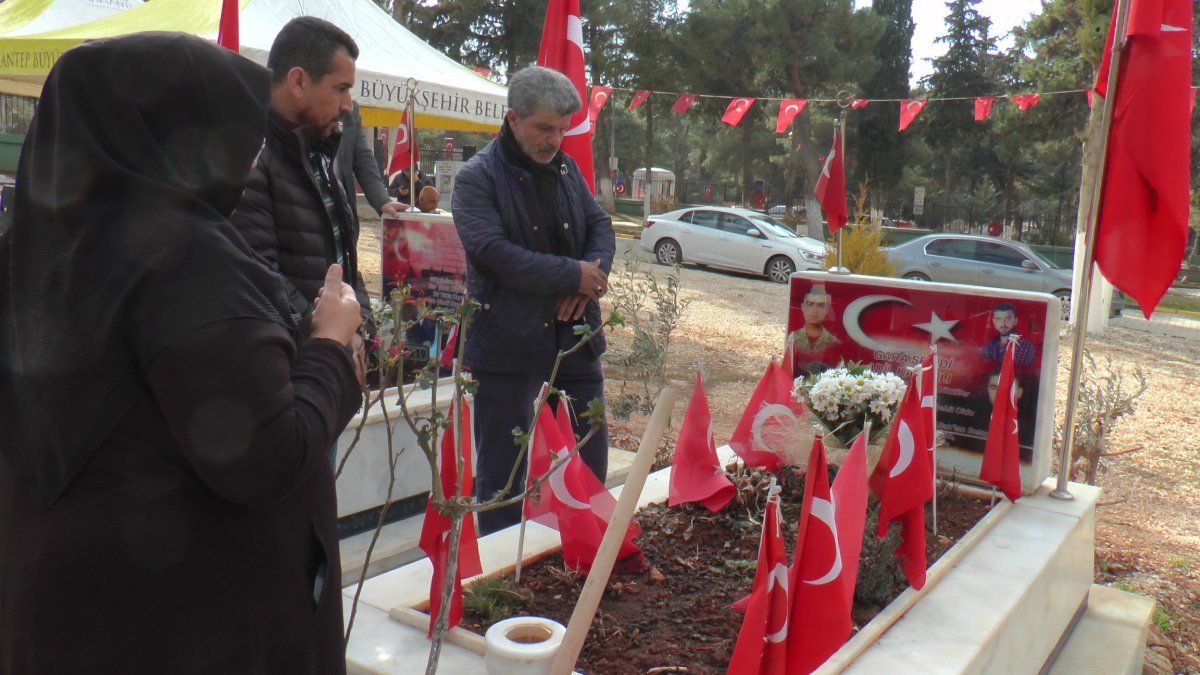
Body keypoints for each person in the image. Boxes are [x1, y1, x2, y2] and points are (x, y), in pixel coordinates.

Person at [0, 33, 362, 673]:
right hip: (191, 616)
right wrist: (332, 345)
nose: (247, 155)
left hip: (69, 604)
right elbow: (266, 453)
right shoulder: (186, 266)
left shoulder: (33, 249)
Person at [452, 66, 615, 534]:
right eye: (544, 128)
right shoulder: (475, 178)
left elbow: (600, 227)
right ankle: (499, 589)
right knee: (503, 480)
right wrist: (572, 275)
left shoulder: (567, 168)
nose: (555, 140)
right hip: (507, 348)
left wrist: (587, 279)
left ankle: (581, 560)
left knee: (589, 467)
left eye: (563, 129)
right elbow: (493, 254)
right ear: (512, 118)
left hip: (576, 339)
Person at [231, 16, 373, 343]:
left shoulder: (320, 151)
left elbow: (345, 259)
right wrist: (330, 337)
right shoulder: (250, 161)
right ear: (298, 82)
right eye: (341, 89)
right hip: (289, 367)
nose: (348, 105)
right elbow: (260, 278)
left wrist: (360, 326)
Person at [336, 101, 406, 222]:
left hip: (341, 218)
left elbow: (363, 158)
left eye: (348, 88)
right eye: (343, 87)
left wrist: (382, 201)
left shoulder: (350, 109)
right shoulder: (296, 106)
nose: (347, 96)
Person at [788, 283, 840, 374]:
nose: (815, 310)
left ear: (827, 309)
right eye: (810, 304)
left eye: (820, 305)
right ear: (803, 307)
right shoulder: (792, 339)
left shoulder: (834, 343)